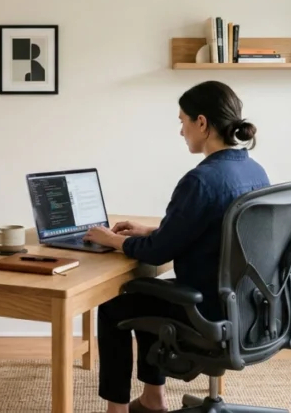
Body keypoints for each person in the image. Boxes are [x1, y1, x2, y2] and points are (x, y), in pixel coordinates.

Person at [82, 80, 270, 413]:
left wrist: (113, 240)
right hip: (248, 305)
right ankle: (152, 399)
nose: (181, 131)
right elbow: (218, 230)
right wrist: (151, 230)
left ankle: (117, 410)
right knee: (150, 297)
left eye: (182, 121)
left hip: (206, 308)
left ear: (202, 123)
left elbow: (157, 253)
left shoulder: (200, 180)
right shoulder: (254, 171)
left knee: (115, 307)